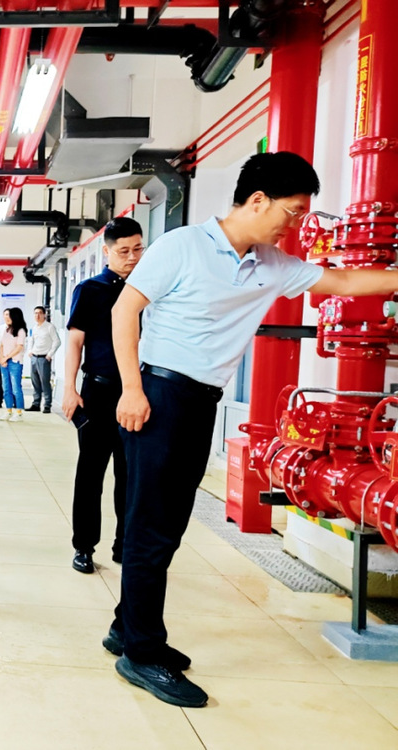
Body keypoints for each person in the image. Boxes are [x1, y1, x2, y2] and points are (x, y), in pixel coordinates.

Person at [108, 151, 398, 708]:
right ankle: (141, 652)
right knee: (150, 527)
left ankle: (127, 628)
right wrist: (131, 389)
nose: (296, 225)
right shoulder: (182, 246)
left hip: (200, 402)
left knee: (167, 525)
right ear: (258, 200)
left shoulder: (271, 263)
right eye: (292, 212)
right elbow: (125, 311)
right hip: (160, 395)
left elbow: (341, 278)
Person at [62, 217, 144, 575]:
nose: (132, 257)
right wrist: (69, 388)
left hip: (138, 394)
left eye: (138, 249)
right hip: (98, 392)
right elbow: (75, 341)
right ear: (107, 252)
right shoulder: (90, 290)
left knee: (130, 475)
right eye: (124, 251)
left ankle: (124, 545)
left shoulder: (148, 290)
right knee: (91, 473)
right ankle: (83, 546)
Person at [26, 305, 61, 413]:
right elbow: (31, 340)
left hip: (44, 358)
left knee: (45, 383)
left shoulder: (50, 327)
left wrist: (49, 355)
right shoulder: (35, 327)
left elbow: (57, 341)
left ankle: (47, 405)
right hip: (34, 358)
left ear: (44, 315)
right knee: (35, 382)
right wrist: (30, 351)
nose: (37, 315)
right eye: (35, 313)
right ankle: (36, 404)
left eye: (40, 313)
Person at [0, 308, 27, 422]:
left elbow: (19, 347)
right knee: (6, 388)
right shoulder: (6, 330)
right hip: (4, 362)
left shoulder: (21, 331)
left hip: (15, 362)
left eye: (10, 315)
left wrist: (6, 357)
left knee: (16, 388)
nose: (7, 318)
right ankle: (8, 410)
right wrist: (2, 358)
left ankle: (19, 412)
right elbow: (1, 345)